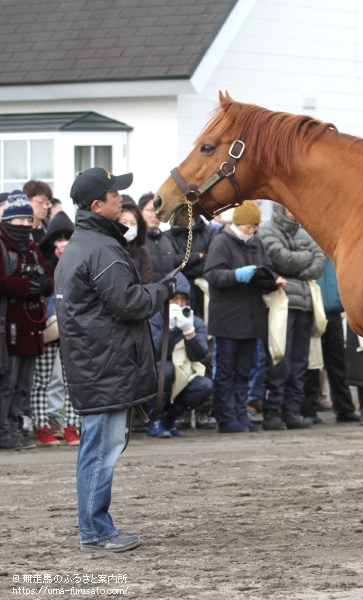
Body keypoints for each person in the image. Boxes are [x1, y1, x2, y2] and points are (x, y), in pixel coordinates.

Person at [56, 167, 175, 552]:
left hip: (96, 365)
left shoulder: (83, 244)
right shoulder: (102, 247)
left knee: (97, 449)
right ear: (97, 205)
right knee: (101, 451)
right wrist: (161, 289)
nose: (120, 200)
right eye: (113, 195)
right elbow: (129, 303)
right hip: (105, 367)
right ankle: (95, 531)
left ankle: (95, 527)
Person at [204, 200, 282, 433]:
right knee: (226, 370)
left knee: (243, 371)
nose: (253, 230)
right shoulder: (221, 242)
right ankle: (226, 417)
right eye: (249, 226)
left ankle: (240, 414)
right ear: (238, 223)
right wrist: (236, 275)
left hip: (251, 319)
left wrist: (273, 282)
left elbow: (265, 269)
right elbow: (212, 275)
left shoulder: (256, 243)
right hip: (227, 320)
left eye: (256, 226)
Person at [259, 205, 325, 430]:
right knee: (280, 360)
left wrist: (295, 272)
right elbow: (282, 259)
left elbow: (319, 261)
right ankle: (272, 411)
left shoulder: (306, 230)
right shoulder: (267, 230)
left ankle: (292, 410)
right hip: (281, 305)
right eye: (289, 208)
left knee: (299, 362)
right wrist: (304, 260)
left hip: (305, 305)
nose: (293, 212)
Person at [0, 192, 53, 450]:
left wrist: (42, 285)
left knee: (23, 384)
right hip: (7, 327)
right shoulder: (1, 244)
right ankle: (3, 431)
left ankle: (13, 428)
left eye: (27, 219)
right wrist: (28, 285)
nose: (23, 225)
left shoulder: (32, 248)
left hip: (31, 327)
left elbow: (49, 279)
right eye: (18, 219)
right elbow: (3, 282)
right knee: (6, 383)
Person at [30, 211, 80, 446]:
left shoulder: (80, 263)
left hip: (74, 329)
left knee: (74, 380)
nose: (62, 243)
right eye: (57, 239)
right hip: (49, 328)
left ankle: (72, 425)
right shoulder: (43, 265)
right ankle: (41, 425)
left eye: (66, 238)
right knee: (42, 379)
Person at [147, 273, 213, 437]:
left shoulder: (194, 322)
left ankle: (170, 419)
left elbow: (200, 356)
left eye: (183, 299)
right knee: (166, 369)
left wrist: (189, 333)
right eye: (174, 299)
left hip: (184, 374)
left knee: (205, 385)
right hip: (154, 377)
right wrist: (168, 331)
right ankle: (154, 419)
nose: (179, 304)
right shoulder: (152, 318)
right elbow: (152, 354)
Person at [302, 256, 359, 424]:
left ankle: (344, 408)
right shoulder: (313, 250)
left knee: (337, 365)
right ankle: (309, 409)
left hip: (333, 315)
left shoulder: (334, 253)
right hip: (313, 314)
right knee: (312, 365)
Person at [165, 214, 216, 319]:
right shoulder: (166, 237)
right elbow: (171, 263)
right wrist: (198, 256)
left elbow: (213, 263)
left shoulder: (211, 233)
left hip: (207, 290)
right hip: (179, 292)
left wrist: (185, 266)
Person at [139, 192, 180, 282]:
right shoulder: (137, 240)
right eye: (151, 210)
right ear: (140, 211)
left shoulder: (167, 239)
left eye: (159, 211)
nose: (155, 215)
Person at [119, 198, 153, 284]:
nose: (128, 227)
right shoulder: (109, 248)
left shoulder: (142, 252)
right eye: (124, 222)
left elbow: (147, 282)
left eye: (133, 223)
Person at [23, 180, 52, 245]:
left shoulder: (50, 229)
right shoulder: (20, 231)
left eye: (47, 203)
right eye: (41, 201)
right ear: (28, 200)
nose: (45, 207)